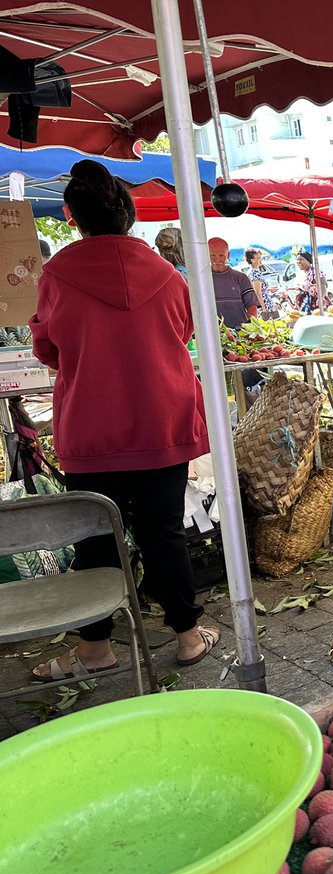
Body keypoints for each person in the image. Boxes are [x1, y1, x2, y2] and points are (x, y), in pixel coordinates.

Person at [27, 160, 217, 680]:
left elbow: (48, 347)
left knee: (96, 537)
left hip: (92, 426)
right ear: (128, 215)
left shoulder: (56, 275)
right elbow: (183, 334)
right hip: (162, 418)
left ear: (74, 218)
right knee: (164, 532)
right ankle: (188, 636)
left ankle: (95, 648)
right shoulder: (165, 273)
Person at [208, 237, 257, 328]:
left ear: (228, 255)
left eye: (221, 256)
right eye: (212, 255)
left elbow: (252, 305)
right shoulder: (201, 280)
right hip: (211, 334)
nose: (217, 260)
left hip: (240, 334)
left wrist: (250, 328)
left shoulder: (241, 278)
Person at [243, 248, 276, 315]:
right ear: (252, 260)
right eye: (258, 258)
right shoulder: (255, 272)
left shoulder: (252, 271)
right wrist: (264, 310)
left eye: (260, 257)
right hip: (265, 305)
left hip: (264, 303)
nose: (260, 260)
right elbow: (258, 293)